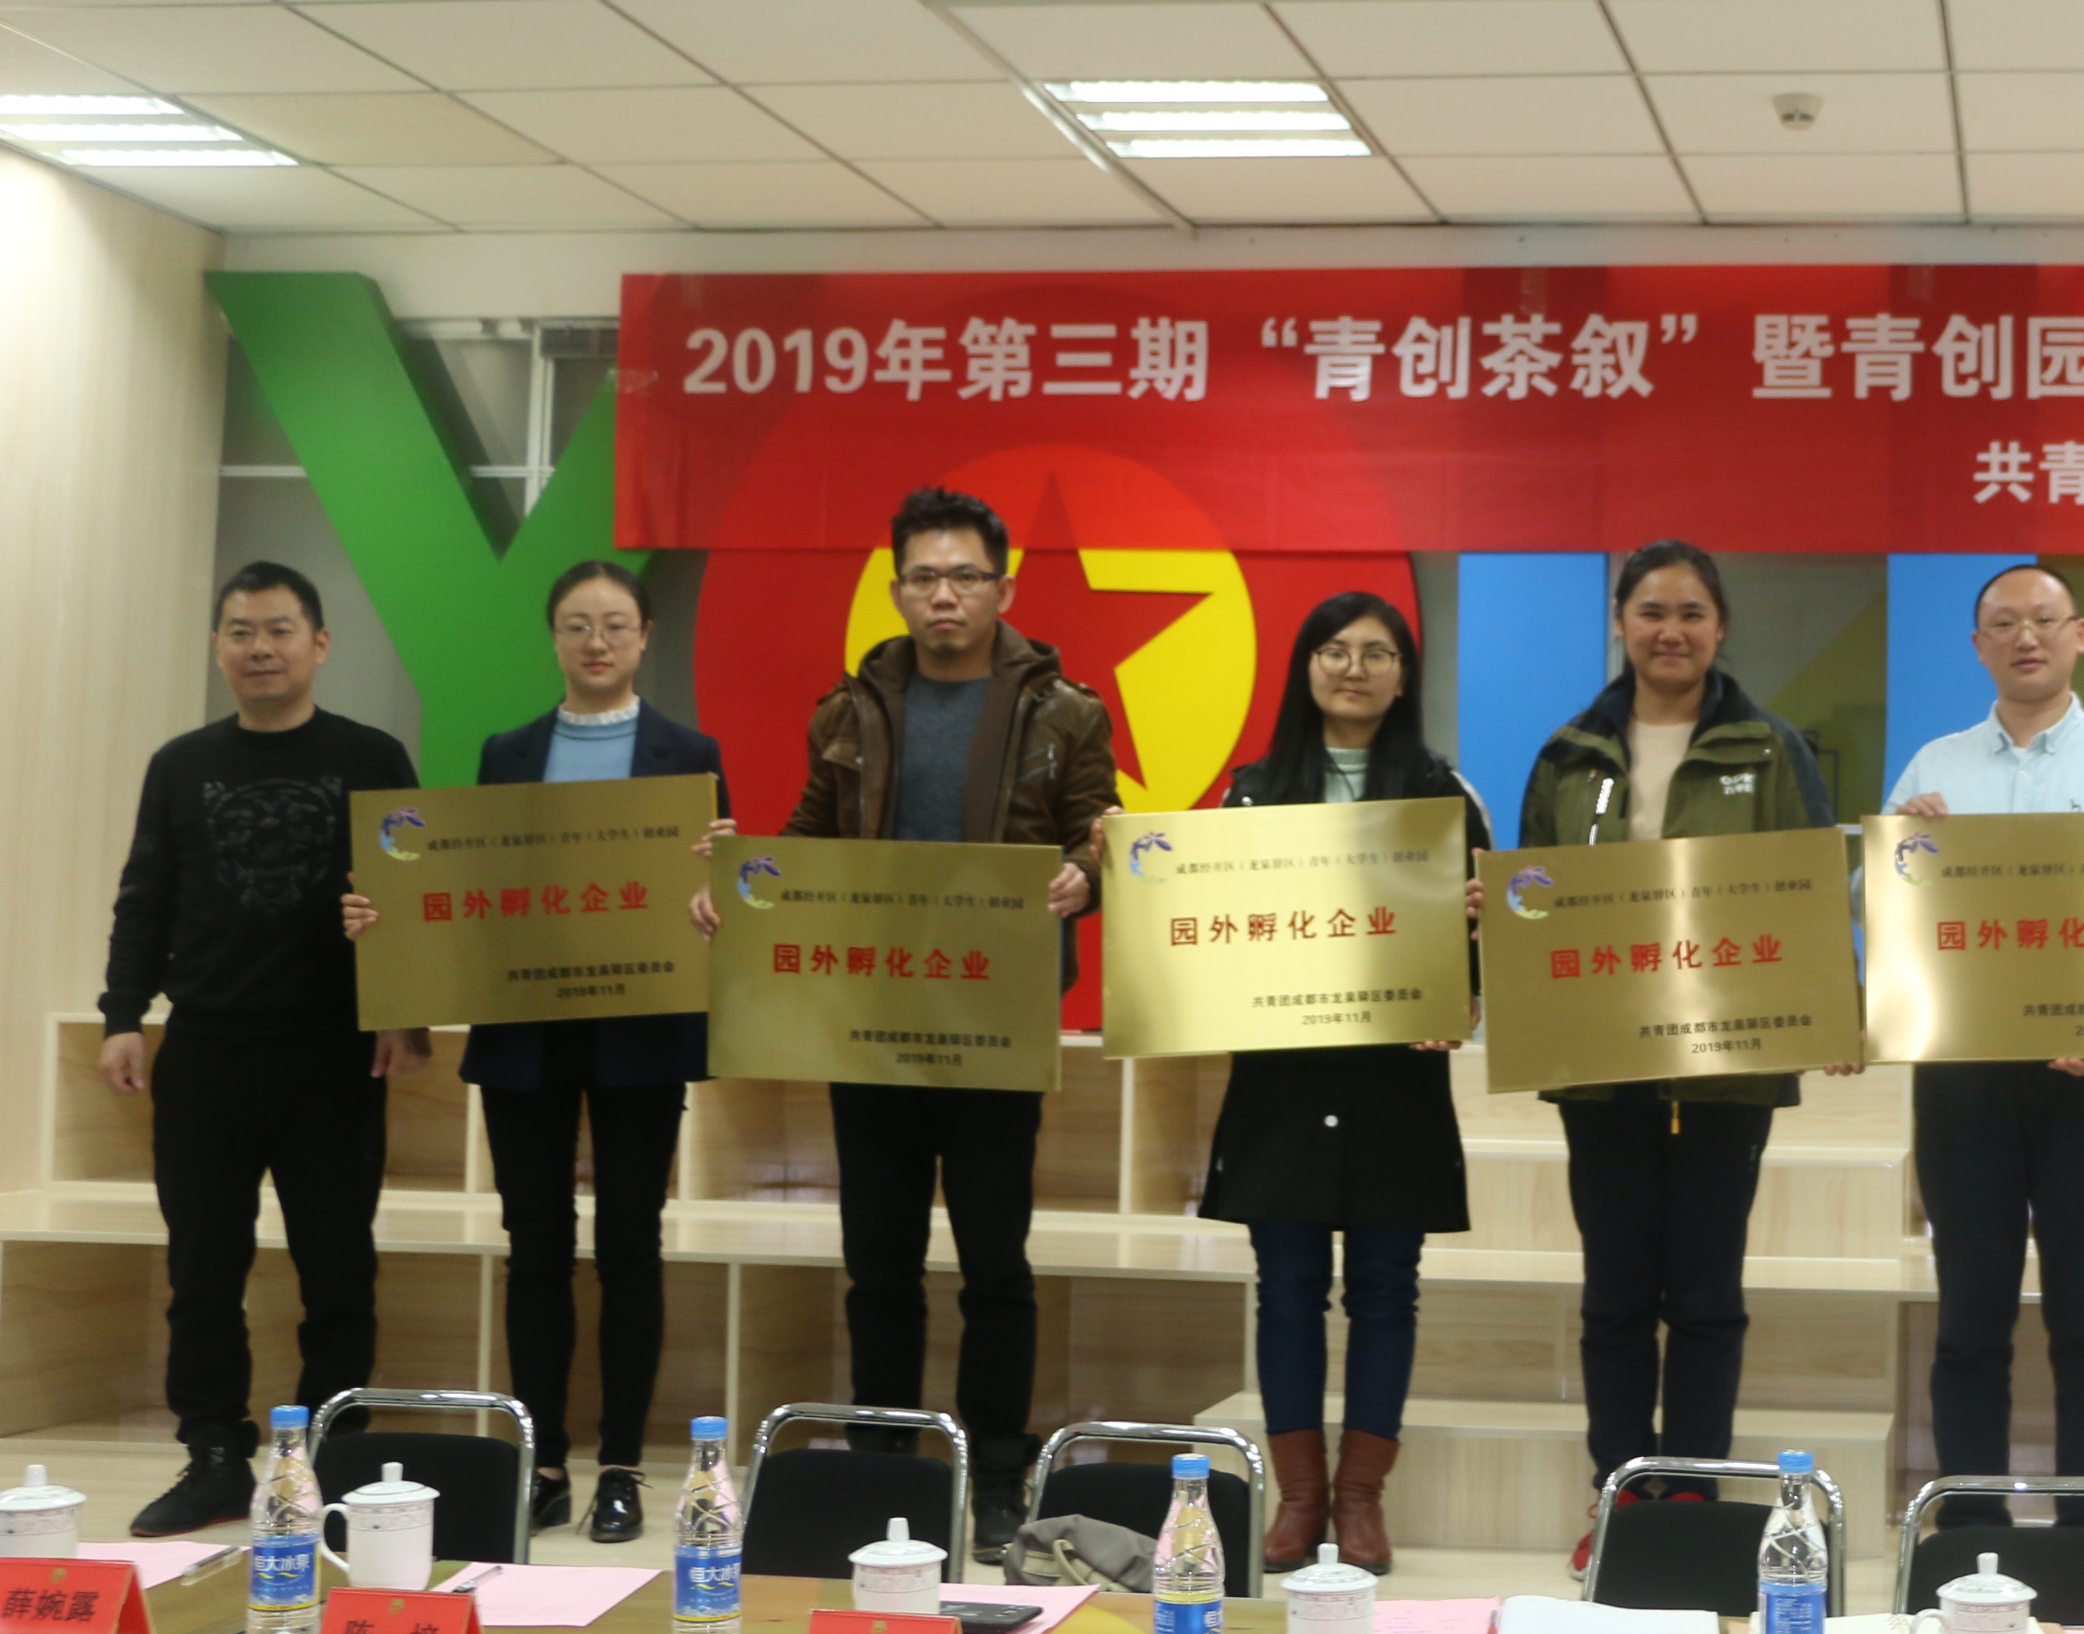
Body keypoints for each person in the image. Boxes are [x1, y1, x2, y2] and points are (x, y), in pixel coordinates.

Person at [342, 560, 723, 1544]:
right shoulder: (507, 752)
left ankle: (623, 1466)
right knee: (536, 1249)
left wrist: (715, 880)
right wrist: (393, 923)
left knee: (630, 1247)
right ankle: (544, 1462)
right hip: (527, 1033)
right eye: (577, 624)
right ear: (554, 638)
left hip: (641, 1031)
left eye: (615, 624)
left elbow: (713, 904)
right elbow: (473, 886)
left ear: (644, 637)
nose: (596, 641)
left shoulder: (691, 756)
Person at [776, 487, 1116, 1561]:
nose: (945, 595)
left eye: (966, 575)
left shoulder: (1067, 711)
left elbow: (1100, 837)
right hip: (870, 1019)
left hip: (993, 1019)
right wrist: (743, 880)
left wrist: (1085, 874)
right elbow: (808, 837)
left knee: (994, 1264)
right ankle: (887, 1461)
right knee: (877, 1262)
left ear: (1003, 589)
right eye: (924, 576)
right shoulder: (849, 710)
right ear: (896, 591)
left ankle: (999, 1473)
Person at [1514, 541, 1835, 1570]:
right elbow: (1531, 893)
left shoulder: (1772, 749)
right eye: (1652, 610)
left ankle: (1692, 1492)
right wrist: (1501, 909)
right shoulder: (1568, 753)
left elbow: (1810, 892)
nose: (1671, 631)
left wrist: (1830, 1013)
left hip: (1724, 1069)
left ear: (1720, 626)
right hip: (1600, 1065)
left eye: (1692, 612)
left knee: (1704, 1295)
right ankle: (1620, 1495)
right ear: (1620, 621)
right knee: (1615, 1296)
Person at [98, 563, 423, 1538]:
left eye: (280, 629)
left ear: (319, 643)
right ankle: (212, 1453)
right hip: (204, 1047)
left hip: (334, 1052)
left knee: (339, 1268)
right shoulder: (180, 764)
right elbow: (144, 897)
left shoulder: (372, 755)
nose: (260, 648)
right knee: (203, 1269)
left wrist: (404, 1011)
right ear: (218, 648)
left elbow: (416, 895)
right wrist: (122, 1013)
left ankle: (332, 1458)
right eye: (241, 631)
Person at [1884, 562, 2084, 1527]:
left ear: (2079, 634)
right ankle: (1969, 1526)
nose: (2026, 638)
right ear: (1977, 647)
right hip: (1963, 1076)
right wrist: (1902, 846)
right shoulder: (1934, 765)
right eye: (2004, 624)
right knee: (1970, 1320)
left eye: (2045, 621)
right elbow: (1875, 902)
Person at [1200, 592, 1487, 1578]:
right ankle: (1299, 1500)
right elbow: (1203, 931)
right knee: (1284, 1288)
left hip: (1395, 1077)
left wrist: (1472, 951)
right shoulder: (1249, 796)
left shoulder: (1445, 795)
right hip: (1280, 1078)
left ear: (1404, 676)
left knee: (1385, 1289)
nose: (1354, 668)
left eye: (1376, 653)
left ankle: (1361, 1500)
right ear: (1305, 669)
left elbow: (1484, 944)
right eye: (1333, 650)